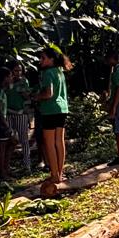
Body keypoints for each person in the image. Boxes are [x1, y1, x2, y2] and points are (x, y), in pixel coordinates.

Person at [36, 48, 71, 185]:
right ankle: (60, 173)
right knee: (59, 142)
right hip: (62, 109)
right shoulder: (59, 72)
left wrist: (36, 97)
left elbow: (48, 93)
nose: (41, 60)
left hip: (50, 110)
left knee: (49, 143)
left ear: (51, 59)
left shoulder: (47, 73)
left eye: (43, 58)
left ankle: (54, 175)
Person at [6, 61, 33, 172]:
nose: (18, 73)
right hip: (7, 113)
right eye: (16, 70)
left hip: (20, 113)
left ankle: (27, 165)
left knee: (24, 139)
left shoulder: (24, 81)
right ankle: (6, 166)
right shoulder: (6, 82)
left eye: (20, 70)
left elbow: (27, 98)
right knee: (9, 140)